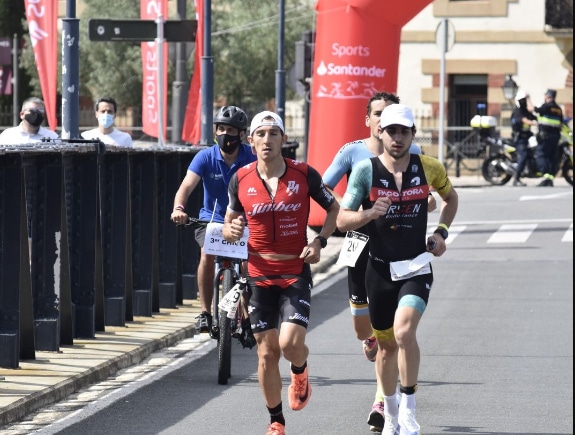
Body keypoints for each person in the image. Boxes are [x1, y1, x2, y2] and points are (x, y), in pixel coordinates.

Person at [337, 104, 458, 435]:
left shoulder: (429, 167)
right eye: (392, 130)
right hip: (378, 271)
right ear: (380, 132)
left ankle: (409, 410)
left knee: (405, 332)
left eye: (405, 131)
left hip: (416, 267)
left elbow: (451, 198)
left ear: (413, 135)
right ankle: (390, 414)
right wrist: (369, 213)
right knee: (386, 347)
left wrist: (440, 233)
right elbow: (342, 218)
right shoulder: (366, 170)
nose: (398, 137)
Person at [222, 111, 339, 435]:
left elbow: (333, 209)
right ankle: (276, 421)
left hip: (294, 271)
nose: (267, 140)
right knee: (266, 353)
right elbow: (232, 222)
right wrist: (232, 229)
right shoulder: (241, 178)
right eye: (261, 134)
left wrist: (320, 240)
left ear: (284, 140)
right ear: (251, 140)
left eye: (274, 133)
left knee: (289, 345)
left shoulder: (303, 175)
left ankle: (300, 371)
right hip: (258, 273)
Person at [171, 106, 256, 334]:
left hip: (245, 221)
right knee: (206, 255)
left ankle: (248, 315)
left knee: (249, 265)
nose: (225, 135)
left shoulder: (252, 157)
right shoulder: (205, 156)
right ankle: (205, 312)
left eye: (231, 130)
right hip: (212, 219)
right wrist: (179, 208)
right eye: (221, 129)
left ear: (241, 134)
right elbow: (186, 187)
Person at [533, 89, 563, 186]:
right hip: (555, 137)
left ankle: (546, 176)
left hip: (545, 137)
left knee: (541, 155)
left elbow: (534, 110)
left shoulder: (546, 107)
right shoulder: (558, 109)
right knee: (551, 158)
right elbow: (561, 124)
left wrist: (528, 99)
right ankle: (550, 179)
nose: (545, 97)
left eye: (546, 95)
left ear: (549, 96)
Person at [510, 90, 538, 186]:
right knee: (524, 155)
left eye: (524, 100)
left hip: (528, 136)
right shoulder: (517, 111)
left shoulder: (526, 110)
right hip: (520, 139)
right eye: (522, 100)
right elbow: (525, 120)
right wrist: (535, 123)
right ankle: (516, 178)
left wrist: (528, 97)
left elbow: (532, 110)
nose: (524, 102)